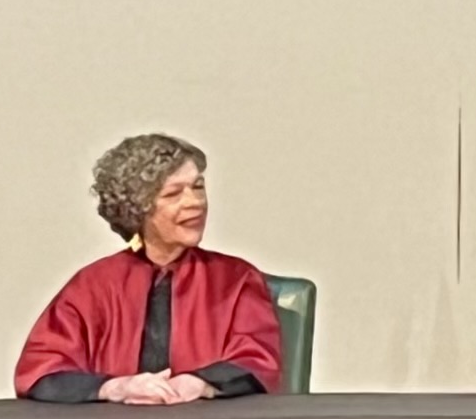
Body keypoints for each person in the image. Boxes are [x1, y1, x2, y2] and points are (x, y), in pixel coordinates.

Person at [16, 132, 283, 402]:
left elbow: (257, 359)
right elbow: (43, 369)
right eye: (173, 193)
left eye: (198, 187)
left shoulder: (236, 279)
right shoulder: (93, 285)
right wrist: (115, 388)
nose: (195, 202)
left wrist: (199, 383)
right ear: (137, 210)